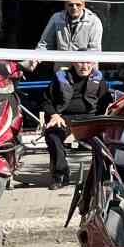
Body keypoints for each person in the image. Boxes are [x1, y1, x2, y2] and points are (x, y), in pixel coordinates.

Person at [42, 61, 110, 189]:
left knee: (107, 138)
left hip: (91, 119)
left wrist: (102, 120)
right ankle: (61, 175)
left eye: (88, 62)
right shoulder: (60, 78)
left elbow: (106, 103)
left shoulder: (99, 80)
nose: (84, 66)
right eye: (80, 62)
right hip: (64, 118)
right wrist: (54, 115)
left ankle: (102, 175)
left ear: (93, 63)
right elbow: (46, 101)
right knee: (53, 135)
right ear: (73, 63)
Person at [29, 0, 102, 71]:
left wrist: (94, 73)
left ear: (84, 5)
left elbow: (94, 50)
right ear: (66, 5)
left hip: (84, 70)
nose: (74, 7)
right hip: (62, 70)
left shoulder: (94, 21)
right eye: (71, 5)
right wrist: (34, 60)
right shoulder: (56, 18)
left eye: (78, 4)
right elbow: (45, 43)